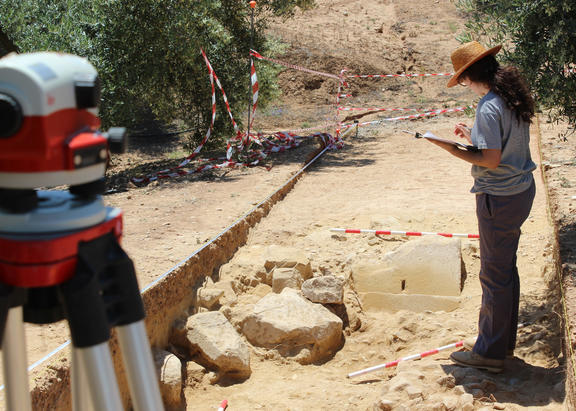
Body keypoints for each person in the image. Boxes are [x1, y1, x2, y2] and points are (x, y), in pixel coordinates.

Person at [427, 41, 537, 373]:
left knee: (493, 274)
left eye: (462, 80)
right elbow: (502, 146)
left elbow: (490, 160)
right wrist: (473, 136)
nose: (463, 86)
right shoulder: (510, 97)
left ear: (470, 76)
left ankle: (489, 352)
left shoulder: (489, 106)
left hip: (499, 198)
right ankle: (500, 343)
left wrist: (447, 146)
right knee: (506, 270)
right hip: (520, 191)